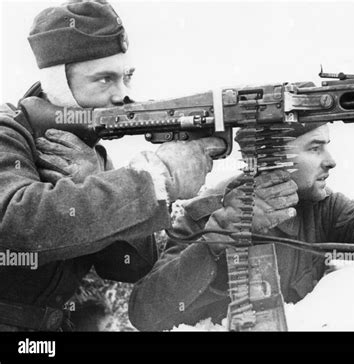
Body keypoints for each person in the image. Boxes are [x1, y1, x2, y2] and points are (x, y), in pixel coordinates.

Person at [0, 0, 224, 331]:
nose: (123, 95)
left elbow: (130, 265)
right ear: (60, 85)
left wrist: (101, 179)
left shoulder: (90, 152)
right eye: (104, 79)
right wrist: (155, 178)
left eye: (126, 77)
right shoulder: (8, 133)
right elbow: (15, 224)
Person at [128, 121, 354, 331]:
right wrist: (215, 243)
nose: (331, 161)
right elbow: (145, 312)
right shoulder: (207, 213)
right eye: (315, 147)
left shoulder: (323, 210)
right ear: (272, 160)